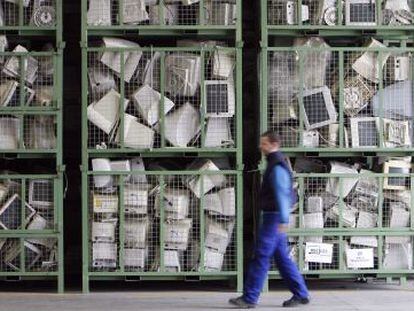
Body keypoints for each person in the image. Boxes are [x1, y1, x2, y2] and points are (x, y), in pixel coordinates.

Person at [229, 131, 310, 308]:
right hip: (274, 218)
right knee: (282, 258)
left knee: (261, 256)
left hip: (274, 219)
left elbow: (281, 195)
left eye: (264, 143)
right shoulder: (276, 163)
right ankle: (301, 293)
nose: (261, 146)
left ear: (274, 144)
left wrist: (283, 219)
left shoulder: (277, 166)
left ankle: (249, 298)